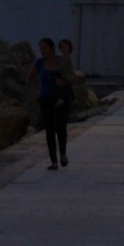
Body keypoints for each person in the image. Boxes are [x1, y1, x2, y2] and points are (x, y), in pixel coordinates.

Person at [33, 39, 72, 169]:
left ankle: (63, 154)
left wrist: (64, 83)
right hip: (45, 99)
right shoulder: (39, 63)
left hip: (61, 97)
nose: (42, 51)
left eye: (44, 48)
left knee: (61, 126)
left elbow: (72, 77)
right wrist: (35, 93)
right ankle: (53, 161)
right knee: (49, 129)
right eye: (41, 48)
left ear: (51, 48)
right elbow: (28, 78)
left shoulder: (61, 61)